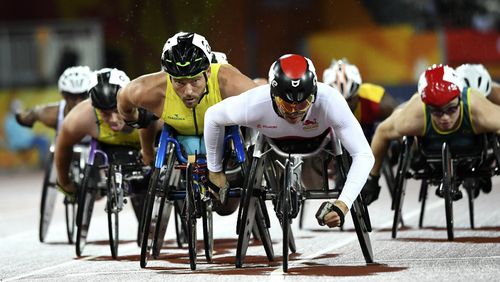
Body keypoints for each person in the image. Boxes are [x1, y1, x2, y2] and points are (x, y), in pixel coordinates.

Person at [204, 54, 374, 228]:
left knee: (314, 182)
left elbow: (364, 155)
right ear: (272, 94)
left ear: (314, 93)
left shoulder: (330, 100)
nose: (294, 111)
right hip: (273, 142)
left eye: (302, 103)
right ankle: (278, 175)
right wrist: (215, 171)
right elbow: (212, 117)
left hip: (316, 144)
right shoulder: (256, 101)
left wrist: (343, 204)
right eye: (286, 104)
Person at [116, 31, 257, 208]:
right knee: (149, 119)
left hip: (224, 138)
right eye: (180, 82)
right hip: (182, 138)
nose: (188, 91)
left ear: (208, 71)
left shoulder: (228, 80)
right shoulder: (148, 89)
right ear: (168, 76)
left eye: (195, 80)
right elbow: (123, 99)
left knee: (226, 208)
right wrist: (135, 119)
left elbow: (261, 100)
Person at [362, 64, 500, 204]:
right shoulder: (415, 114)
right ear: (427, 107)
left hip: (475, 149)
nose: (445, 118)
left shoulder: (477, 107)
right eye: (437, 111)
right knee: (410, 150)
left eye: (451, 109)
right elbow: (381, 133)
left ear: (460, 99)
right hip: (428, 154)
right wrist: (372, 178)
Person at [54, 68, 146, 218]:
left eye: (117, 110)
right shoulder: (80, 117)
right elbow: (63, 146)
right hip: (109, 152)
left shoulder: (146, 104)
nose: (114, 120)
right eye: (105, 113)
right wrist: (65, 182)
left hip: (146, 153)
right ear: (95, 108)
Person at [323, 59, 398, 142]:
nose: (345, 105)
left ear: (358, 94)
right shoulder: (318, 104)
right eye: (338, 101)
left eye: (349, 100)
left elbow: (399, 116)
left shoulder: (372, 99)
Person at [15, 66, 94, 131]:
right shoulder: (52, 115)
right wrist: (25, 117)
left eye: (83, 95)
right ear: (64, 96)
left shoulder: (102, 114)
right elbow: (35, 112)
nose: (78, 102)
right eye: (72, 96)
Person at [3, 99, 50, 167]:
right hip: (21, 143)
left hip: (21, 141)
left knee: (44, 138)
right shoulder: (13, 119)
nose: (19, 108)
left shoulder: (10, 119)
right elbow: (21, 136)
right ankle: (43, 163)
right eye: (17, 106)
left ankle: (44, 162)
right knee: (44, 140)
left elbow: (23, 133)